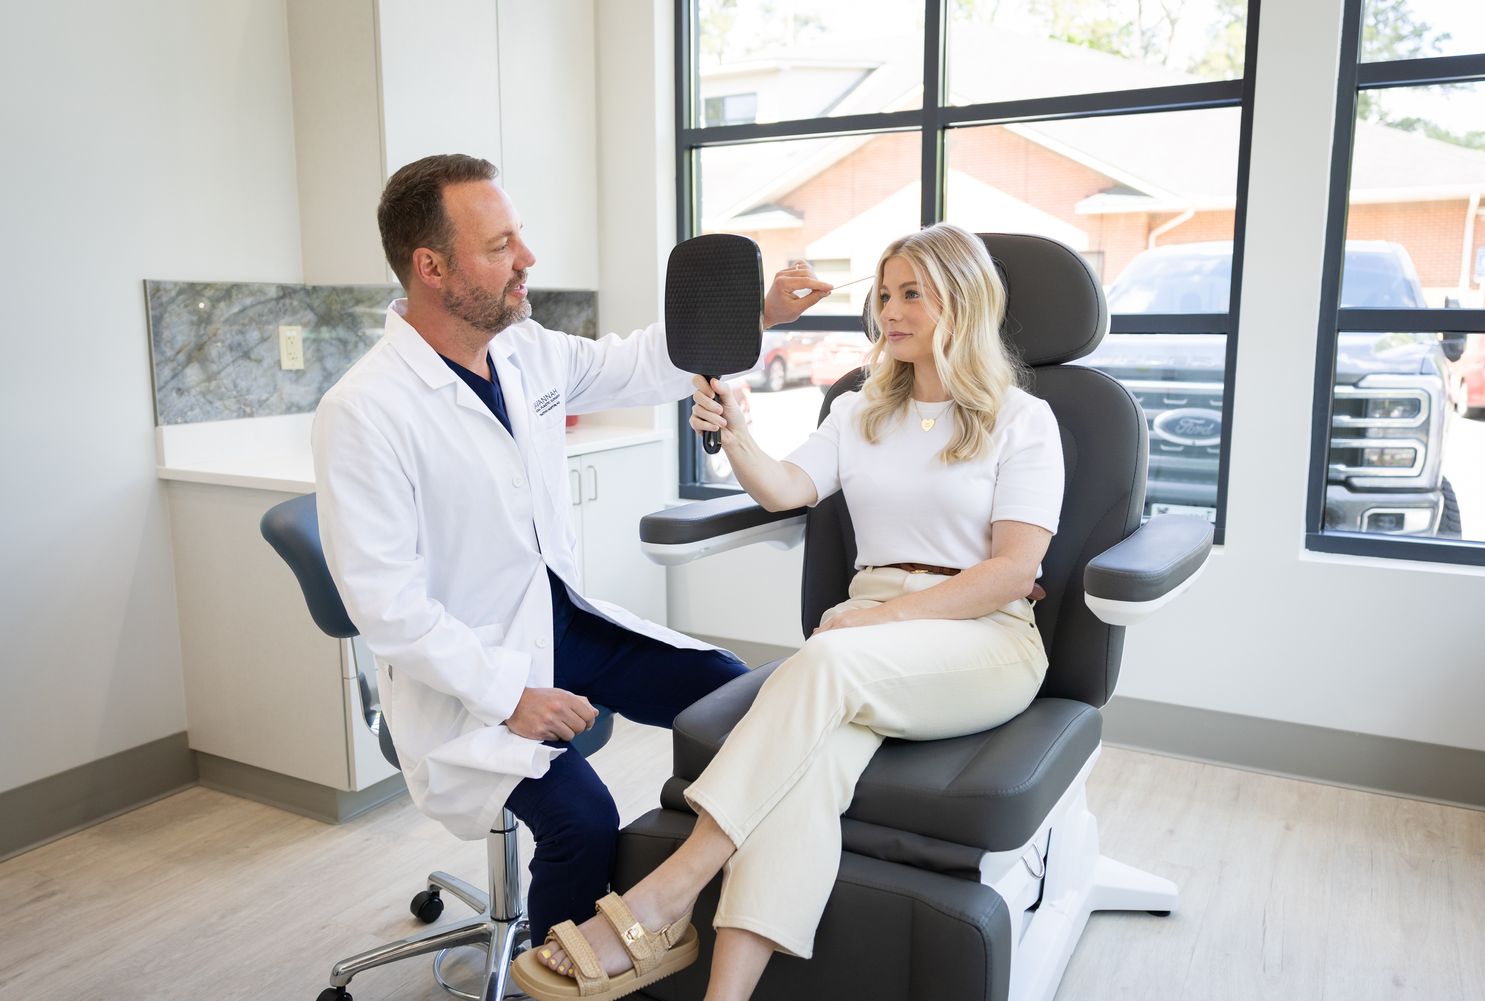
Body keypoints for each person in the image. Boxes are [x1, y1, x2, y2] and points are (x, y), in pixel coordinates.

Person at [510, 222, 1064, 1001]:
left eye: (913, 293)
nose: (889, 308)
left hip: (984, 638)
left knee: (823, 658)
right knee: (799, 778)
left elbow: (1012, 570)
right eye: (883, 292)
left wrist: (879, 621)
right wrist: (736, 434)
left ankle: (669, 892)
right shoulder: (862, 410)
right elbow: (784, 488)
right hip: (868, 642)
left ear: (964, 303)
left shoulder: (1022, 420)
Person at [312, 153, 831, 942]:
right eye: (501, 245)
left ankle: (714, 908)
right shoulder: (363, 411)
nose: (527, 258)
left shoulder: (525, 352)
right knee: (584, 823)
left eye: (520, 235)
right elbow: (390, 609)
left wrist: (756, 310)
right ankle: (554, 978)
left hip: (559, 624)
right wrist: (510, 695)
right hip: (472, 673)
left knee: (736, 698)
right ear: (431, 266)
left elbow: (636, 364)